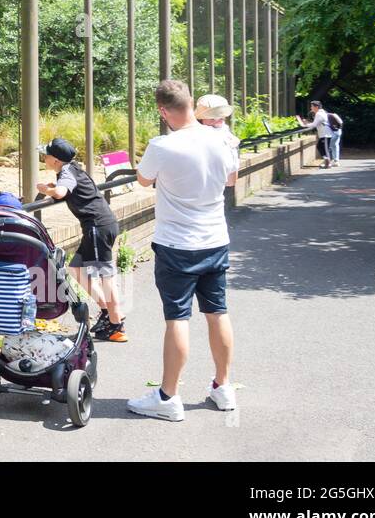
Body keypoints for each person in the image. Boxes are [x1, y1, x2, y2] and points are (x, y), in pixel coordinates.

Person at [127, 80, 240, 422]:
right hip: (215, 240)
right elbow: (231, 181)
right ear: (191, 102)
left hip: (177, 245)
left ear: (163, 111)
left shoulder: (162, 145)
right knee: (217, 312)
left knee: (177, 318)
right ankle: (223, 387)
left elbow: (143, 180)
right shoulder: (222, 139)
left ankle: (168, 397)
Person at [34, 138, 126, 343]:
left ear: (56, 160)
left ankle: (117, 325)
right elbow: (67, 188)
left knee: (105, 276)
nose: (44, 157)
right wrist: (53, 185)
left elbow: (60, 192)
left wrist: (46, 190)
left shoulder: (66, 173)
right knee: (76, 269)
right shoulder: (71, 169)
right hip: (99, 225)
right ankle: (106, 311)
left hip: (97, 227)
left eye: (46, 154)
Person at [299, 100, 334, 168]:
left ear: (316, 107)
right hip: (324, 134)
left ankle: (328, 163)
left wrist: (305, 125)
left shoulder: (319, 114)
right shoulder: (321, 113)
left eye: (312, 106)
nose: (311, 108)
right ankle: (327, 161)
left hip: (326, 134)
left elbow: (314, 124)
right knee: (319, 147)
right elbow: (316, 123)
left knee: (325, 149)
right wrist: (307, 123)